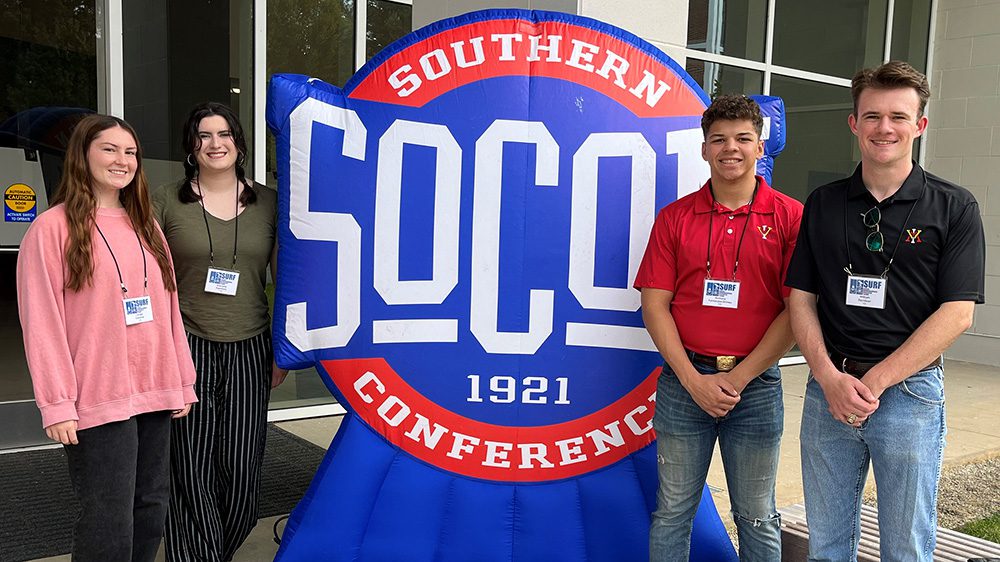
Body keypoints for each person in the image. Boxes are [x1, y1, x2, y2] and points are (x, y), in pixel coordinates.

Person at [786, 61, 986, 561]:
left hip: (909, 395)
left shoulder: (954, 206)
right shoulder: (824, 203)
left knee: (905, 548)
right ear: (854, 123)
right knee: (827, 547)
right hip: (828, 392)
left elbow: (958, 312)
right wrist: (829, 378)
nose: (885, 128)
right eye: (872, 116)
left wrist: (874, 382)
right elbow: (800, 298)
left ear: (919, 125)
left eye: (899, 116)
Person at [16, 114, 197, 562]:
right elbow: (41, 322)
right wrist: (57, 402)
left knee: (151, 508)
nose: (123, 159)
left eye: (130, 151)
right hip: (97, 396)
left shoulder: (147, 226)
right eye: (110, 149)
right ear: (83, 155)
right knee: (108, 518)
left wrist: (181, 380)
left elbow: (169, 309)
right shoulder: (51, 228)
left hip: (156, 391)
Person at [635, 94, 803, 561]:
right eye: (719, 139)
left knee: (756, 513)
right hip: (682, 384)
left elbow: (796, 311)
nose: (731, 148)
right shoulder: (674, 218)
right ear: (704, 149)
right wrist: (694, 382)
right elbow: (655, 307)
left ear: (760, 147)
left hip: (757, 388)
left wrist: (737, 378)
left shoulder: (791, 217)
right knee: (672, 511)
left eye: (743, 138)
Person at [154, 101, 285, 562]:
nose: (215, 144)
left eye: (224, 134)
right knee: (190, 468)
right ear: (191, 146)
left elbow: (284, 282)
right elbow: (148, 279)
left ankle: (212, 552)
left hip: (251, 346)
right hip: (185, 345)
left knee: (242, 471)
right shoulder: (165, 200)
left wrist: (281, 352)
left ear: (239, 143)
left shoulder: (269, 202)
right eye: (204, 135)